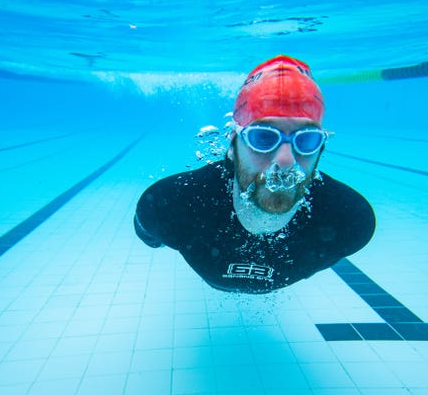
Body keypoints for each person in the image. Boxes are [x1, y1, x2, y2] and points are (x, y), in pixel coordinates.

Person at [134, 55, 375, 294]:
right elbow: (149, 233)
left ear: (320, 148)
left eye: (306, 140)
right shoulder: (170, 205)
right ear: (233, 144)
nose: (285, 160)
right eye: (264, 137)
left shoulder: (349, 222)